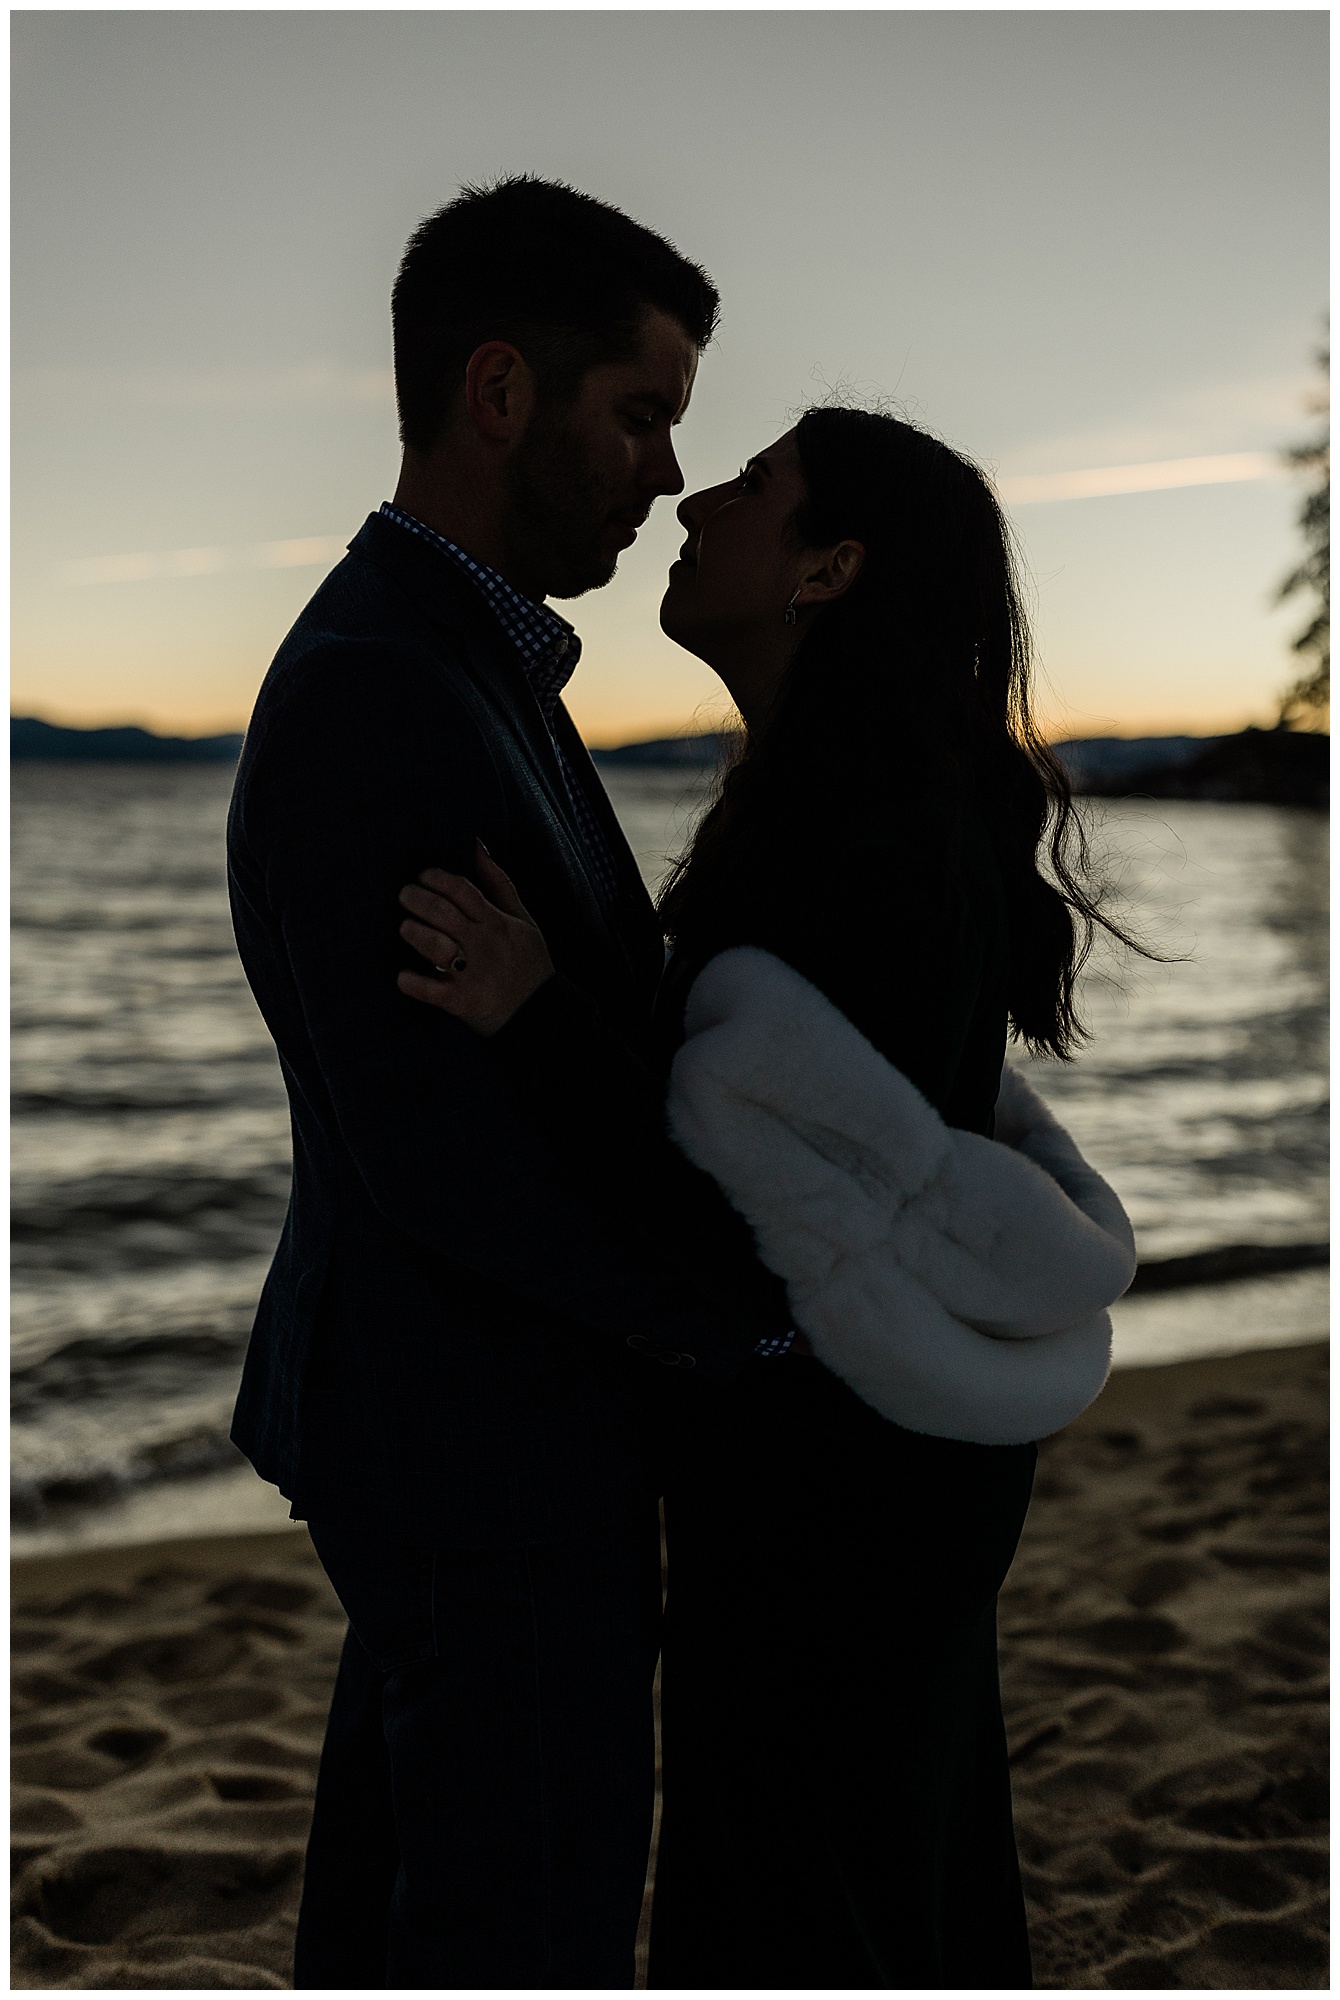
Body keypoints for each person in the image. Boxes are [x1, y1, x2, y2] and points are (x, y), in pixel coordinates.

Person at [395, 407, 1137, 1988]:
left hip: (836, 1475)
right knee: (885, 1867)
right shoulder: (847, 801)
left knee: (806, 1889)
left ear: (830, 568)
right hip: (874, 1449)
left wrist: (536, 1014)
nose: (695, 496)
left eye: (756, 482)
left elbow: (741, 1193)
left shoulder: (861, 829)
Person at [226, 176, 797, 1990]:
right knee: (514, 1924)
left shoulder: (478, 661)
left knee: (421, 1913)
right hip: (475, 1440)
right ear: (498, 394)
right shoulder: (388, 689)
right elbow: (435, 1152)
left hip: (464, 1429)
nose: (663, 475)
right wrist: (731, 1314)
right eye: (639, 416)